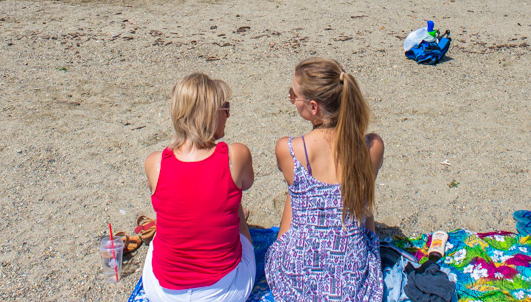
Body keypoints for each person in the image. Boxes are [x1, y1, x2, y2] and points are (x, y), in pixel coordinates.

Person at [265, 58, 384, 302]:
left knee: (295, 191)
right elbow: (366, 206)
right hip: (351, 275)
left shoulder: (290, 149)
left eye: (293, 95)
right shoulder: (371, 147)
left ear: (313, 107)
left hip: (298, 274)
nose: (291, 100)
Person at [140, 73, 255, 302]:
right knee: (235, 203)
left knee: (163, 227)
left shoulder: (155, 162)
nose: (228, 114)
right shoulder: (235, 155)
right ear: (209, 114)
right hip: (224, 292)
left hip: (163, 294)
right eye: (225, 108)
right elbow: (247, 183)